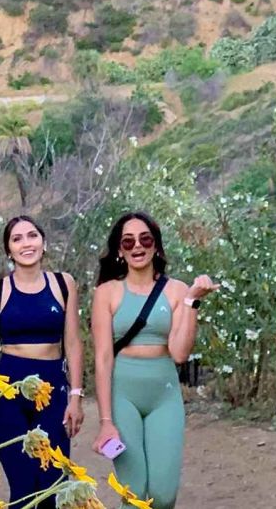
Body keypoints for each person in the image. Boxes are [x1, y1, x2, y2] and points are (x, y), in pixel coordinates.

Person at [91, 212, 218, 509]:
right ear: (120, 250)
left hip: (164, 394)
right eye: (128, 241)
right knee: (134, 492)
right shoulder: (107, 292)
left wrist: (192, 302)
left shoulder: (177, 290)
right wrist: (106, 421)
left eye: (145, 239)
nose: (137, 246)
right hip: (123, 394)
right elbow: (103, 358)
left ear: (156, 246)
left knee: (163, 494)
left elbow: (180, 353)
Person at [0, 216, 85, 508]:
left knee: (52, 483)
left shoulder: (64, 283)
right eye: (17, 239)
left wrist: (76, 397)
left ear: (43, 242)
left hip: (52, 391)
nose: (26, 243)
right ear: (8, 249)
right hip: (7, 394)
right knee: (24, 485)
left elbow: (72, 343)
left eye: (32, 235)